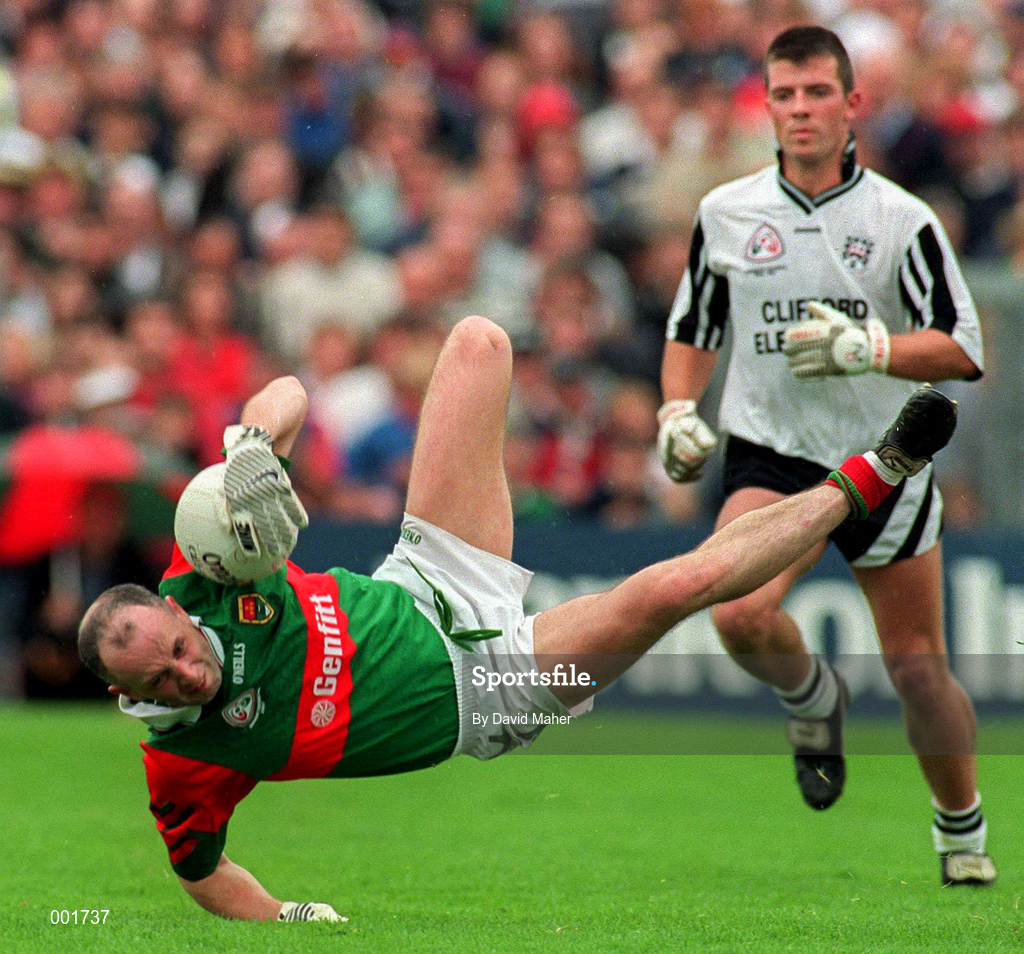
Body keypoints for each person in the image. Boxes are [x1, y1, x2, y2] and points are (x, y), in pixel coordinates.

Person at [77, 315, 958, 922]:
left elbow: (286, 391)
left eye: (180, 651)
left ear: (173, 608)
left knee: (477, 342)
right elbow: (199, 876)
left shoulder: (201, 566)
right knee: (663, 592)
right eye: (158, 683)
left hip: (427, 576)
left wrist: (250, 448)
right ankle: (875, 473)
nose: (186, 673)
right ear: (128, 698)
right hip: (486, 693)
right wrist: (284, 914)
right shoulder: (183, 761)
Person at [656, 26, 992, 887]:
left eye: (816, 94)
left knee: (919, 670)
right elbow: (695, 327)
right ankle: (814, 700)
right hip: (772, 452)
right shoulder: (727, 211)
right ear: (765, 105)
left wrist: (870, 349)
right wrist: (673, 409)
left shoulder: (899, 219)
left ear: (853, 104)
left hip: (885, 460)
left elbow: (963, 346)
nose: (800, 110)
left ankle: (962, 832)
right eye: (784, 94)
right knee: (734, 611)